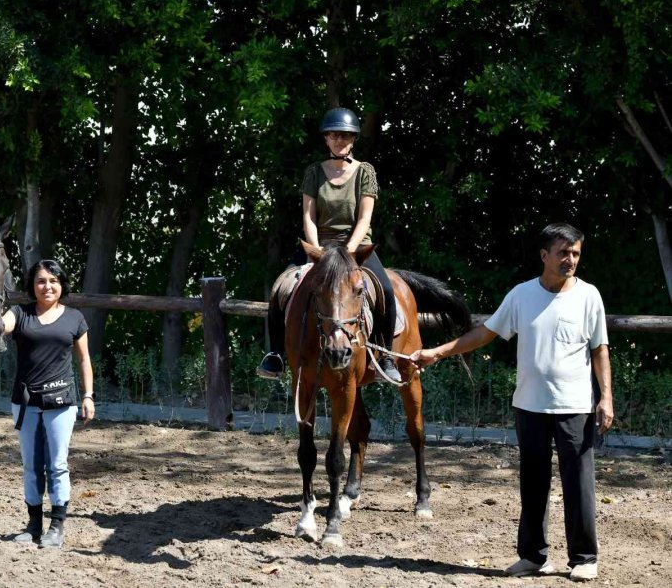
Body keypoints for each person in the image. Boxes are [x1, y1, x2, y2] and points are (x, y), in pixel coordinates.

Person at [410, 223, 614, 582]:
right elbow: (485, 333)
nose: (571, 260)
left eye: (576, 253)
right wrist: (438, 352)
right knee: (532, 483)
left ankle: (584, 557)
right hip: (529, 406)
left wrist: (606, 397)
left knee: (578, 484)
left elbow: (599, 349)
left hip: (576, 406)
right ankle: (533, 556)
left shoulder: (589, 296)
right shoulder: (521, 296)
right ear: (544, 255)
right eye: (563, 253)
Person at [256, 107, 401, 382]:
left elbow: (364, 217)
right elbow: (308, 216)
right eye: (334, 135)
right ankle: (275, 355)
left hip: (355, 248)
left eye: (345, 136)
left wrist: (348, 251)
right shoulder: (314, 172)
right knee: (280, 288)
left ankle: (387, 355)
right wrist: (317, 251)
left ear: (353, 140)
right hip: (319, 246)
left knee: (385, 289)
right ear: (326, 139)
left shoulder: (364, 172)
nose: (339, 140)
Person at [3, 259, 95, 548]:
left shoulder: (75, 318)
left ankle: (56, 525)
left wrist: (88, 396)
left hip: (61, 402)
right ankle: (33, 525)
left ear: (61, 284)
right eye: (41, 281)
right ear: (32, 285)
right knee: (31, 465)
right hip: (26, 401)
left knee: (57, 464)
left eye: (53, 281)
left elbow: (84, 360)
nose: (47, 286)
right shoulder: (19, 313)